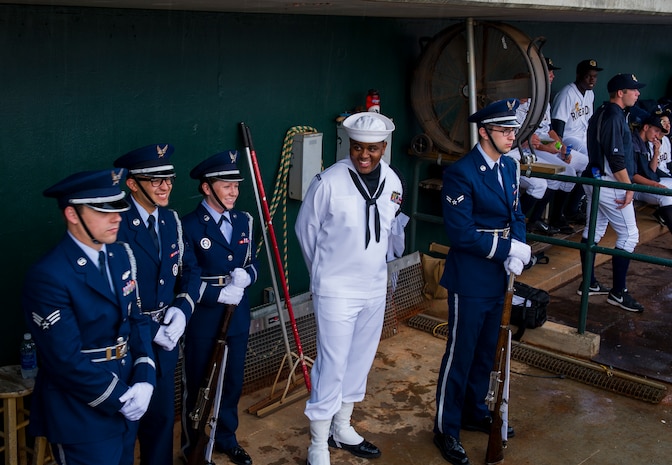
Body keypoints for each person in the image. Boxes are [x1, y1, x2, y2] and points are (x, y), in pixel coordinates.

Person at [22, 169, 156, 465]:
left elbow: (137, 320)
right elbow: (64, 359)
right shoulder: (49, 275)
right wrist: (119, 397)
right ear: (72, 214)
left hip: (128, 394)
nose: (117, 217)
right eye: (102, 210)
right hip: (83, 411)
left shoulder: (120, 254)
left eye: (118, 208)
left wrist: (145, 377)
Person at [295, 112, 403, 465]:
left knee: (359, 360)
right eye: (358, 148)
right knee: (331, 363)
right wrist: (325, 275)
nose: (364, 155)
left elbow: (389, 235)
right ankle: (318, 443)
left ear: (384, 148)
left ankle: (342, 426)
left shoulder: (393, 182)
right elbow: (305, 231)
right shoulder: (328, 182)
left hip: (373, 287)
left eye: (372, 149)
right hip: (336, 289)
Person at [433, 99, 531, 465]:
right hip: (471, 276)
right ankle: (446, 428)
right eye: (505, 131)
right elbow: (461, 233)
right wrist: (506, 247)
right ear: (484, 132)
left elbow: (516, 212)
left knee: (488, 352)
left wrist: (519, 247)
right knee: (461, 354)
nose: (511, 137)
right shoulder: (462, 172)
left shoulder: (508, 166)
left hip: (499, 275)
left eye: (513, 131)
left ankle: (475, 410)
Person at [113, 144, 202, 465]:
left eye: (169, 179)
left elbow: (190, 270)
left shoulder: (171, 221)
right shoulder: (115, 224)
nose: (165, 186)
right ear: (132, 183)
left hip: (166, 339)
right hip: (128, 345)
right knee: (124, 429)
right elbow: (112, 292)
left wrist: (182, 308)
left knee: (162, 422)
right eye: (155, 180)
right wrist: (151, 327)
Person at [180, 150, 259, 465]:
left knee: (232, 382)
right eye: (226, 185)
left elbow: (252, 265)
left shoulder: (244, 221)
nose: (234, 192)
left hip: (237, 315)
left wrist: (246, 278)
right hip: (203, 318)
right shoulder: (187, 226)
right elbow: (186, 277)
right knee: (200, 385)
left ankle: (226, 437)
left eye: (236, 185)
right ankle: (194, 448)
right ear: (206, 187)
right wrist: (216, 295)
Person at [579, 73, 646, 312]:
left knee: (594, 230)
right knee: (630, 236)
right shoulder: (614, 116)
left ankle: (588, 284)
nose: (637, 93)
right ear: (621, 92)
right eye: (633, 89)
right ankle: (618, 293)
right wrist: (627, 186)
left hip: (596, 178)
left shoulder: (603, 111)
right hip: (608, 181)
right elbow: (616, 158)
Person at [519, 58, 590, 234]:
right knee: (560, 173)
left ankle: (554, 217)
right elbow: (529, 138)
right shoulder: (519, 102)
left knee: (574, 170)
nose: (552, 75)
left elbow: (549, 129)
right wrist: (549, 147)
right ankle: (534, 220)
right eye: (548, 71)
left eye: (551, 72)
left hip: (543, 143)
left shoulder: (543, 98)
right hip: (526, 148)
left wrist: (560, 145)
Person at [630, 109, 672, 232]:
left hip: (647, 183)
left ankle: (663, 213)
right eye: (656, 131)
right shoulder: (633, 143)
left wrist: (656, 152)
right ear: (646, 127)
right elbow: (632, 175)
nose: (657, 135)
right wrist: (655, 185)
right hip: (635, 187)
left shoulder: (646, 143)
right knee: (667, 197)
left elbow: (651, 170)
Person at [552, 59, 604, 154]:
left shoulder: (590, 93)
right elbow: (557, 126)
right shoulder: (567, 94)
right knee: (590, 154)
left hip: (584, 137)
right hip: (568, 138)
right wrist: (559, 147)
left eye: (595, 76)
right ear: (578, 75)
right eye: (588, 76)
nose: (592, 80)